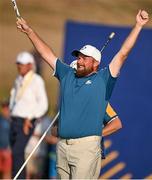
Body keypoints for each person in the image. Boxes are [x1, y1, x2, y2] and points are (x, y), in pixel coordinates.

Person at [16, 10, 149, 179]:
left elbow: (123, 53)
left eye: (84, 58)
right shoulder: (67, 74)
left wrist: (138, 26)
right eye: (78, 57)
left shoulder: (103, 79)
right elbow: (46, 54)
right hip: (63, 146)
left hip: (86, 148)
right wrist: (29, 31)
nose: (79, 61)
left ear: (95, 63)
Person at [9, 51, 48, 179]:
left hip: (26, 121)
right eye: (18, 64)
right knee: (15, 154)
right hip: (14, 121)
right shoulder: (18, 79)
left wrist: (30, 118)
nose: (19, 66)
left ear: (30, 65)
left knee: (18, 152)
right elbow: (14, 98)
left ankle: (19, 178)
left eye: (22, 64)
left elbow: (43, 104)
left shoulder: (36, 80)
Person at [0, 101, 12, 179]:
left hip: (8, 151)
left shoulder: (13, 121)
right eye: (3, 107)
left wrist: (9, 149)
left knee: (7, 172)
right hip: (0, 150)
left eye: (7, 107)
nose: (5, 110)